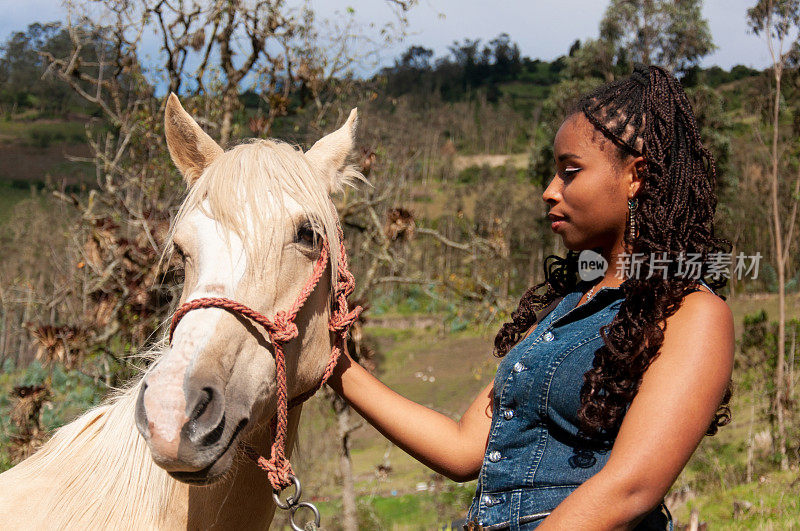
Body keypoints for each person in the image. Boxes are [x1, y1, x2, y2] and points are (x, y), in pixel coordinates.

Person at [327, 64, 735, 530]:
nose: (549, 191)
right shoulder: (567, 312)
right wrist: (334, 366)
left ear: (635, 176)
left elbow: (630, 488)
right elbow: (463, 448)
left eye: (570, 172)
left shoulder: (693, 314)